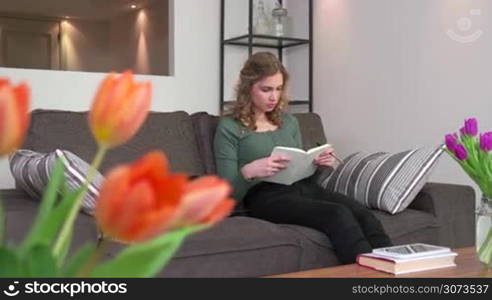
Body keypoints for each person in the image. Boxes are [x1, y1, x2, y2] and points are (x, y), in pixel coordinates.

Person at [213, 52, 391, 264]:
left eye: (278, 89)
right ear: (247, 87)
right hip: (264, 197)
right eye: (266, 89)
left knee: (363, 213)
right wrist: (249, 171)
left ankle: (397, 269)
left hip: (304, 188)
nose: (273, 97)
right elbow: (227, 195)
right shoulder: (229, 127)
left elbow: (299, 169)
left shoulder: (289, 122)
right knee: (337, 214)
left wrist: (317, 163)